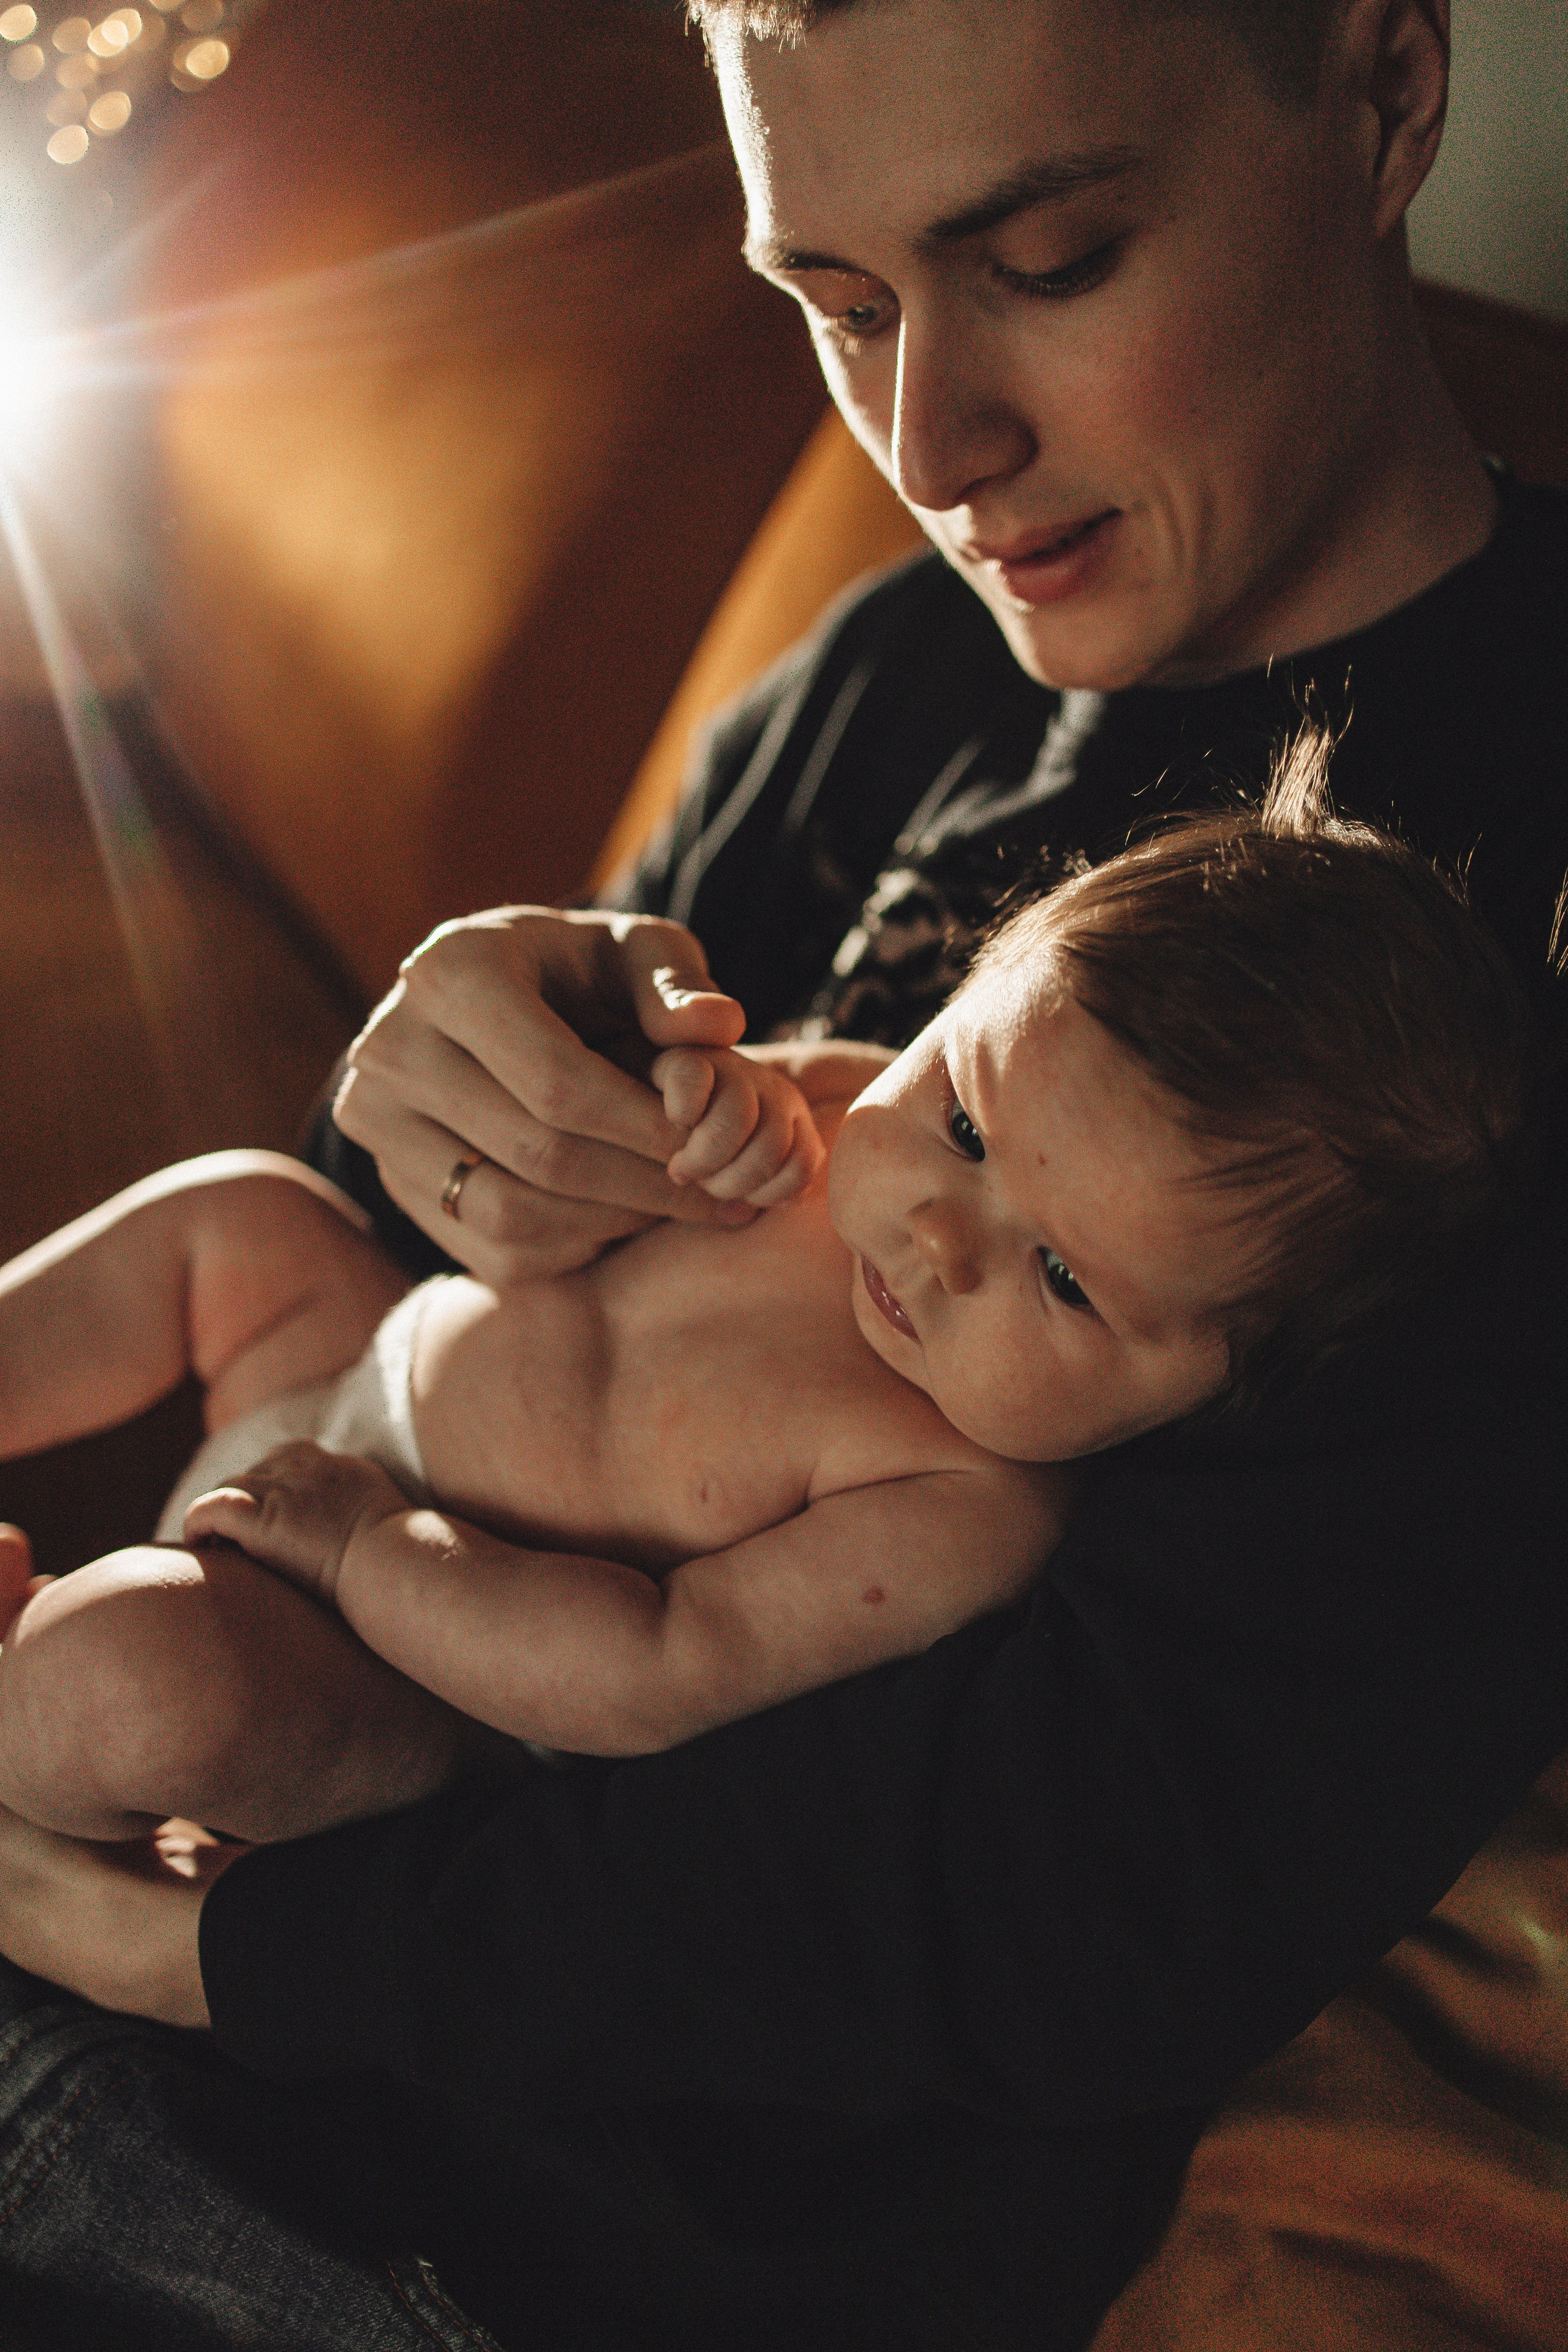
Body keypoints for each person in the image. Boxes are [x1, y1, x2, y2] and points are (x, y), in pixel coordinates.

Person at [2, 3, 1566, 2348]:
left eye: (1049, 255)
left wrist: (243, 1951)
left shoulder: (1490, 971)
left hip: (452, 2217)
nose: (931, 448)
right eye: (833, 310)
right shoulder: (885, 688)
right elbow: (449, 1326)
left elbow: (1082, 1894)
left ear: (1383, 90)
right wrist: (444, 1111)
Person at [0, 767, 1534, 1850]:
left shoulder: (960, 1500)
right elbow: (546, 1236)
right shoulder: (830, 1100)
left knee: (135, 1681)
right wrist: (667, 1111)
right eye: (964, 1121)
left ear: (1215, 1391)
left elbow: (655, 1668)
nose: (937, 1236)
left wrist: (364, 1548)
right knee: (241, 1209)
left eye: (1064, 1280)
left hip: (388, 1657)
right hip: (351, 1359)